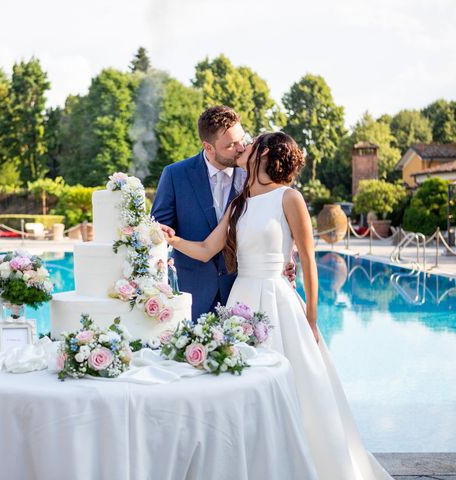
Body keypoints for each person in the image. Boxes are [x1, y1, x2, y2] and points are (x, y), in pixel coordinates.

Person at [161, 131, 393, 480]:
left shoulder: (289, 197)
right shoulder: (238, 202)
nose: (242, 147)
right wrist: (174, 238)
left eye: (249, 143)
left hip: (279, 303)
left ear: (264, 152)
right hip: (241, 303)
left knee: (298, 389)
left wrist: (312, 319)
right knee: (246, 390)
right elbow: (208, 248)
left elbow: (310, 261)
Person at [151, 105, 295, 320]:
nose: (240, 148)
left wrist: (288, 257)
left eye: (242, 139)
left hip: (245, 292)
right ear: (208, 147)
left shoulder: (256, 175)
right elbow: (158, 232)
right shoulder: (175, 175)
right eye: (230, 145)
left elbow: (278, 219)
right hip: (194, 293)